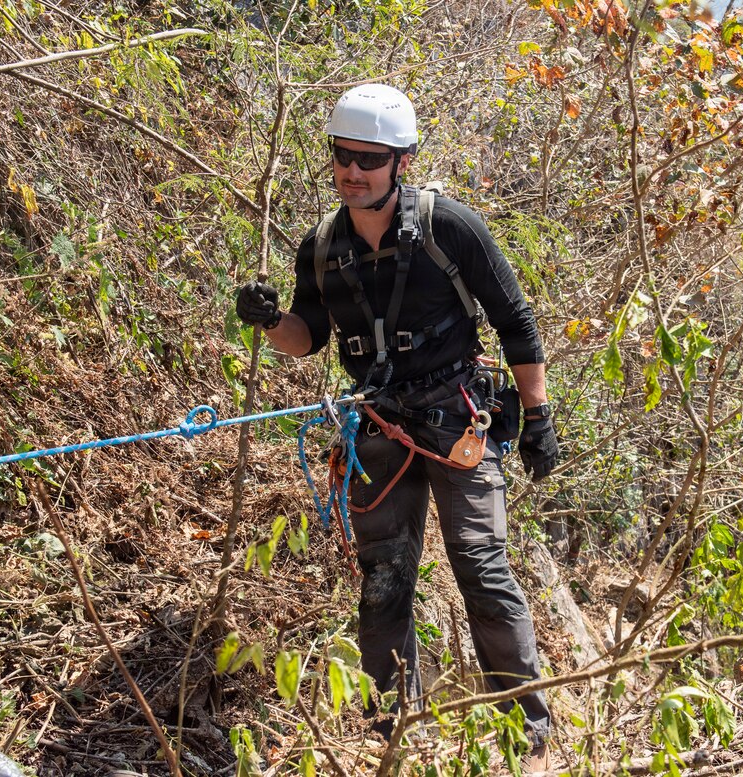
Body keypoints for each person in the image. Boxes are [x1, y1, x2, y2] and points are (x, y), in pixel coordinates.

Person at [235, 83, 558, 772]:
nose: (352, 171)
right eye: (342, 156)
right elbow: (307, 336)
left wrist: (539, 419)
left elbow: (516, 322)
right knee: (384, 576)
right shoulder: (321, 247)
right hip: (378, 425)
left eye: (368, 159)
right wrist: (268, 321)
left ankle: (527, 731)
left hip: (456, 416)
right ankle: (387, 729)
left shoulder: (451, 228)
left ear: (400, 163)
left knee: (481, 563)